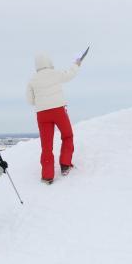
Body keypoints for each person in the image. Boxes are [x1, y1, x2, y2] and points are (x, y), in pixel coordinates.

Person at [26, 52, 82, 182]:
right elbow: (70, 74)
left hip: (42, 114)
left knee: (46, 146)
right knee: (67, 136)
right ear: (49, 62)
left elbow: (30, 100)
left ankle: (47, 176)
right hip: (58, 111)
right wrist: (76, 64)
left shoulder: (32, 80)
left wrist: (41, 102)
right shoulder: (55, 73)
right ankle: (65, 164)